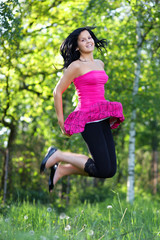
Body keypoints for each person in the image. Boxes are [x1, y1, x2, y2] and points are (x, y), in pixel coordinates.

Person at [40, 27, 125, 193]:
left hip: (102, 117)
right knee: (102, 168)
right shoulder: (75, 66)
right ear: (77, 46)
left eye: (89, 38)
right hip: (88, 119)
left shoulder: (100, 63)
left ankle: (63, 169)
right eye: (83, 40)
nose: (88, 41)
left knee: (109, 170)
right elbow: (57, 91)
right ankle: (58, 155)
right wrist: (61, 121)